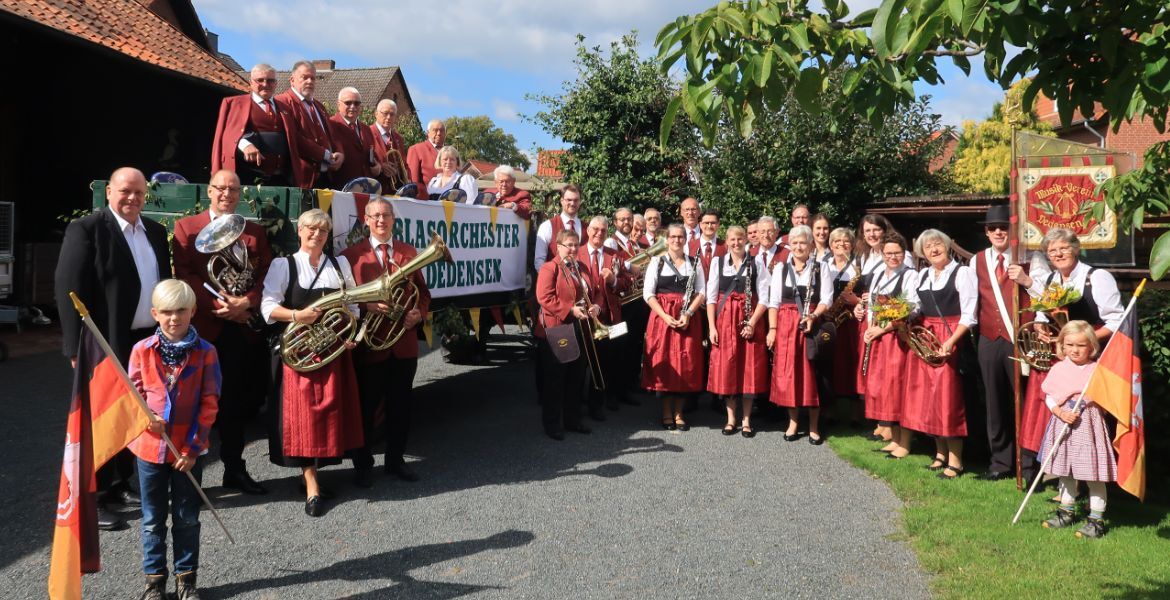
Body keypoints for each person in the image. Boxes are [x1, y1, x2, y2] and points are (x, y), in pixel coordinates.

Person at [55, 166, 171, 530]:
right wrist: (75, 348)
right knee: (99, 420)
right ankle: (94, 497)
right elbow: (67, 288)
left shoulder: (153, 230)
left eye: (139, 192)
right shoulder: (87, 229)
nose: (133, 198)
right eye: (125, 191)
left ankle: (119, 484)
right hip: (104, 343)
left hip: (145, 341)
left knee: (133, 413)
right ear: (109, 192)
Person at [171, 170, 272, 495]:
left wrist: (246, 302)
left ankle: (234, 468)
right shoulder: (187, 228)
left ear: (239, 194)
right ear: (209, 191)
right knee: (194, 402)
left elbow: (267, 271)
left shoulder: (253, 231)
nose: (226, 193)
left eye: (233, 189)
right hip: (208, 325)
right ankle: (190, 479)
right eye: (220, 188)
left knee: (235, 404)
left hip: (241, 327)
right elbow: (184, 273)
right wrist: (218, 305)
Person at [260, 209, 364, 517]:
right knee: (303, 419)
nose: (316, 235)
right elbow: (267, 306)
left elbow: (353, 305)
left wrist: (349, 333)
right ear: (300, 230)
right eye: (310, 229)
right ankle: (311, 485)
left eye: (322, 231)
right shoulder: (284, 265)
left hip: (331, 349)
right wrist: (296, 316)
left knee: (329, 415)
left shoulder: (339, 263)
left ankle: (319, 474)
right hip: (300, 353)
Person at [1008, 227, 1125, 483]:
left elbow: (1117, 319)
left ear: (1075, 249)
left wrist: (1085, 340)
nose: (1058, 254)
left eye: (1063, 248)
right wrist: (1039, 323)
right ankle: (1063, 474)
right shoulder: (1051, 280)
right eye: (1052, 251)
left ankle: (1095, 479)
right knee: (1056, 411)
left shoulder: (1097, 277)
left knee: (1089, 418)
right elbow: (1044, 311)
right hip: (1061, 358)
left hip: (1091, 357)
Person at [127, 279, 220, 600]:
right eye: (166, 312)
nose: (174, 318)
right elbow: (132, 396)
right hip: (150, 449)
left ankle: (186, 579)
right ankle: (154, 582)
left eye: (181, 311)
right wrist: (144, 419)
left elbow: (209, 404)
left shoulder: (207, 353)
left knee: (186, 517)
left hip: (188, 450)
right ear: (155, 313)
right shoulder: (141, 351)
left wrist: (193, 449)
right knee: (153, 519)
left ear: (193, 311)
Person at [341, 198, 428, 485]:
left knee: (401, 407)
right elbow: (345, 299)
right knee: (366, 408)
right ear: (366, 220)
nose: (381, 220)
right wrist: (366, 307)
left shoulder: (408, 251)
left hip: (403, 343)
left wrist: (418, 314)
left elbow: (423, 294)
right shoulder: (350, 255)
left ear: (393, 219)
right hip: (371, 343)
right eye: (375, 216)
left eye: (386, 215)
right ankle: (363, 465)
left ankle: (395, 461)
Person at [901, 229, 977, 479]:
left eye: (937, 245)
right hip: (925, 339)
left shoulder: (962, 273)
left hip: (949, 336)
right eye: (928, 247)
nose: (933, 250)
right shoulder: (922, 275)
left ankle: (956, 460)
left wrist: (951, 341)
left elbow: (969, 314)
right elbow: (916, 307)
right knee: (930, 398)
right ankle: (940, 453)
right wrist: (901, 315)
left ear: (947, 246)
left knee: (948, 399)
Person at [1037, 320, 1115, 539]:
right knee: (1065, 470)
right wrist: (1060, 413)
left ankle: (1096, 519)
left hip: (1088, 426)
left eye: (1081, 345)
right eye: (1069, 344)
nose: (1075, 350)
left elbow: (1108, 398)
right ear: (1062, 345)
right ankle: (1066, 511)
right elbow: (1050, 397)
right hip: (1063, 424)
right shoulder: (1058, 369)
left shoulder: (1096, 370)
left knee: (1093, 473)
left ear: (1091, 346)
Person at [766, 225, 833, 444]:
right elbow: (773, 302)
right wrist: (773, 329)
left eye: (803, 242)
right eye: (794, 243)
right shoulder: (780, 269)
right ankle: (793, 422)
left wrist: (813, 316)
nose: (798, 247)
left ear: (811, 245)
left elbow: (827, 299)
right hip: (786, 328)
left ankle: (814, 426)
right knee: (789, 376)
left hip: (811, 326)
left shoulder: (821, 268)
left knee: (813, 375)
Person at [854, 232, 918, 457]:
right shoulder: (879, 275)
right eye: (888, 253)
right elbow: (871, 304)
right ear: (882, 254)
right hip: (879, 338)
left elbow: (911, 307)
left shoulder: (910, 275)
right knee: (885, 389)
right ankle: (894, 437)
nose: (893, 257)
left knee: (898, 387)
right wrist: (869, 325)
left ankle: (905, 443)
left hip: (897, 338)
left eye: (897, 253)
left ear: (904, 254)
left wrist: (882, 328)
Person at [970, 205, 1020, 481]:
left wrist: (1024, 278)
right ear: (986, 232)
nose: (999, 231)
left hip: (1018, 338)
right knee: (994, 403)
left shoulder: (1027, 257)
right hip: (989, 339)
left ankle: (1026, 463)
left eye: (1004, 227)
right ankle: (1000, 463)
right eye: (993, 228)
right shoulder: (976, 260)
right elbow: (970, 301)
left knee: (1021, 402)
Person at [706, 226, 768, 437]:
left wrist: (752, 322)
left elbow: (765, 297)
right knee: (728, 368)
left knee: (748, 368)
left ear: (746, 240)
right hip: (725, 322)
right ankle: (731, 419)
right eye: (732, 239)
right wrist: (712, 327)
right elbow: (711, 298)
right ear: (727, 242)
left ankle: (747, 420)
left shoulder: (757, 262)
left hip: (749, 320)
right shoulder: (718, 262)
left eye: (740, 238)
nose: (736, 242)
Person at [534, 228, 596, 440]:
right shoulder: (549, 268)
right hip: (557, 327)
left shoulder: (581, 267)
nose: (572, 249)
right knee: (556, 378)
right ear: (557, 246)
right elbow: (544, 298)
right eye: (568, 245)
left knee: (576, 377)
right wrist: (570, 309)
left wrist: (592, 307)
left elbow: (589, 293)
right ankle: (552, 424)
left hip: (578, 327)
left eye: (575, 245)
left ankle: (572, 420)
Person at [643, 224, 706, 431]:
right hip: (663, 320)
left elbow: (701, 292)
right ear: (667, 239)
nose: (677, 240)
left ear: (686, 239)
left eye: (680, 237)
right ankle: (666, 413)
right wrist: (665, 316)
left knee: (685, 365)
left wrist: (688, 313)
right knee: (665, 363)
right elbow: (648, 294)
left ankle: (679, 413)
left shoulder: (693, 262)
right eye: (673, 237)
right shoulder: (657, 261)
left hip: (687, 319)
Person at [210, 63, 301, 187]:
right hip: (246, 179)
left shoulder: (286, 109)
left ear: (276, 84)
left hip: (281, 180)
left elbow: (296, 139)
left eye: (270, 81)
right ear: (251, 82)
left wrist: (326, 155)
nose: (265, 84)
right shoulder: (233, 104)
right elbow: (225, 137)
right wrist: (244, 144)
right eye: (260, 80)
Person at [579, 216, 630, 419]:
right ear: (588, 231)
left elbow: (627, 284)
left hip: (609, 318)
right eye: (595, 229)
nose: (599, 233)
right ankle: (575, 403)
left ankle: (597, 404)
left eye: (603, 230)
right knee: (580, 364)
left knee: (605, 363)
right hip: (582, 317)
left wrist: (614, 280)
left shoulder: (614, 255)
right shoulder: (577, 252)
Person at [275, 61, 343, 189]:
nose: (309, 81)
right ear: (292, 80)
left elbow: (331, 135)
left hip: (325, 177)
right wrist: (325, 155)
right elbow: (294, 137)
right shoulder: (282, 102)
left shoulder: (319, 106)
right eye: (305, 77)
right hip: (301, 178)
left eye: (313, 78)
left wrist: (339, 152)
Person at [604, 207, 645, 406]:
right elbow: (615, 267)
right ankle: (612, 392)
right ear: (615, 222)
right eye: (622, 220)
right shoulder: (611, 242)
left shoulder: (634, 244)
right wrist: (631, 269)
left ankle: (627, 387)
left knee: (632, 346)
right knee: (616, 348)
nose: (626, 222)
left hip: (634, 303)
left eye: (629, 219)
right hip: (619, 305)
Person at [823, 227, 862, 412]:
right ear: (830, 245)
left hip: (852, 319)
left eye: (846, 241)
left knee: (852, 361)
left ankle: (854, 412)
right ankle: (831, 409)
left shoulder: (858, 266)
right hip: (830, 319)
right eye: (837, 241)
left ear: (852, 244)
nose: (841, 244)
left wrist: (857, 301)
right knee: (830, 363)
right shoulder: (824, 264)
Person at [327, 87, 381, 185]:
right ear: (338, 104)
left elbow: (373, 156)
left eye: (356, 103)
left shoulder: (366, 129)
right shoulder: (330, 125)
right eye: (348, 103)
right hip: (341, 188)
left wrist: (378, 167)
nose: (353, 107)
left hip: (366, 189)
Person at [533, 185, 584, 271]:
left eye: (576, 200)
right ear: (562, 201)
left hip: (581, 282)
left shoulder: (588, 228)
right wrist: (548, 278)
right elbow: (539, 261)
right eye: (569, 200)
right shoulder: (547, 226)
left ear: (579, 202)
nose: (572, 203)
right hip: (556, 281)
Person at [370, 99, 409, 193]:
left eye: (392, 114)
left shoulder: (398, 138)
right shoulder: (368, 132)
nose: (388, 117)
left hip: (395, 191)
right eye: (385, 113)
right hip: (375, 188)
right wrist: (381, 166)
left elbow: (403, 164)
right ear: (376, 114)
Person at [406, 119, 445, 199]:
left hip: (449, 200)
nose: (439, 133)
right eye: (435, 130)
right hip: (426, 200)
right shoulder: (416, 149)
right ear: (428, 133)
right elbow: (413, 179)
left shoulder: (450, 152)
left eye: (441, 130)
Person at [688, 209, 726, 274]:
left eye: (713, 223)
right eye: (706, 223)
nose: (709, 226)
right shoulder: (689, 246)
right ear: (700, 224)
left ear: (718, 224)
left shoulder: (726, 246)